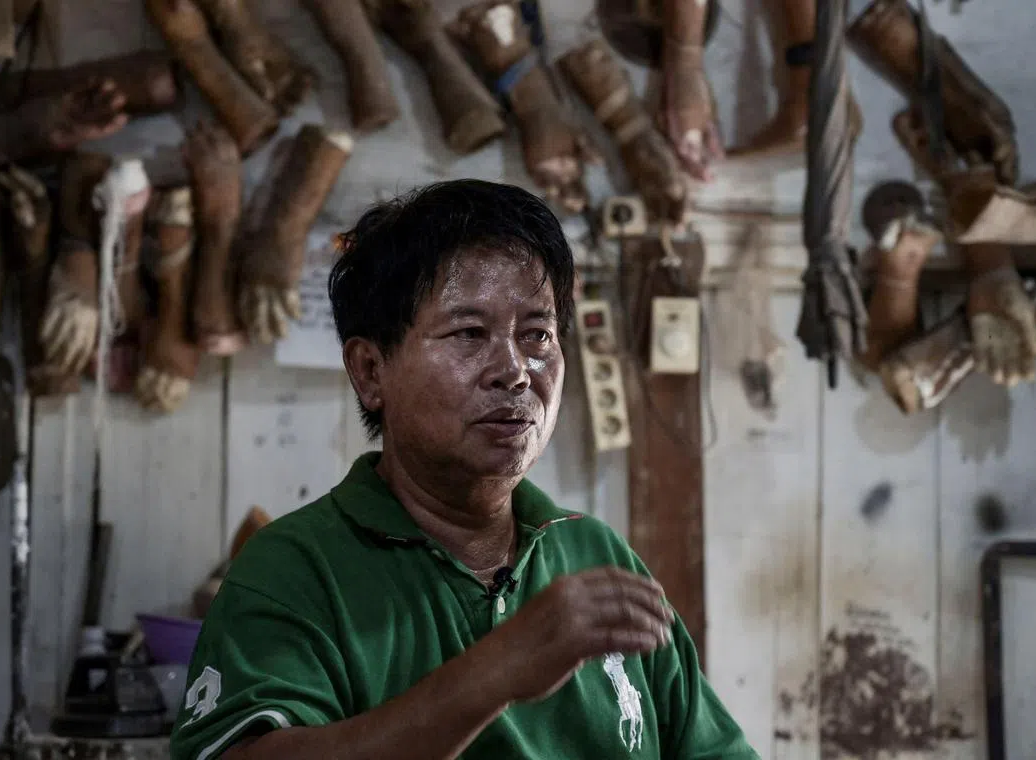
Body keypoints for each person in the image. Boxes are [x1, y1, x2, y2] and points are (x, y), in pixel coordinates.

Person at [169, 179, 758, 759]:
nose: (516, 371)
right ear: (371, 371)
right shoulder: (293, 569)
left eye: (538, 335)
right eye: (470, 333)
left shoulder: (594, 555)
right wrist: (497, 671)